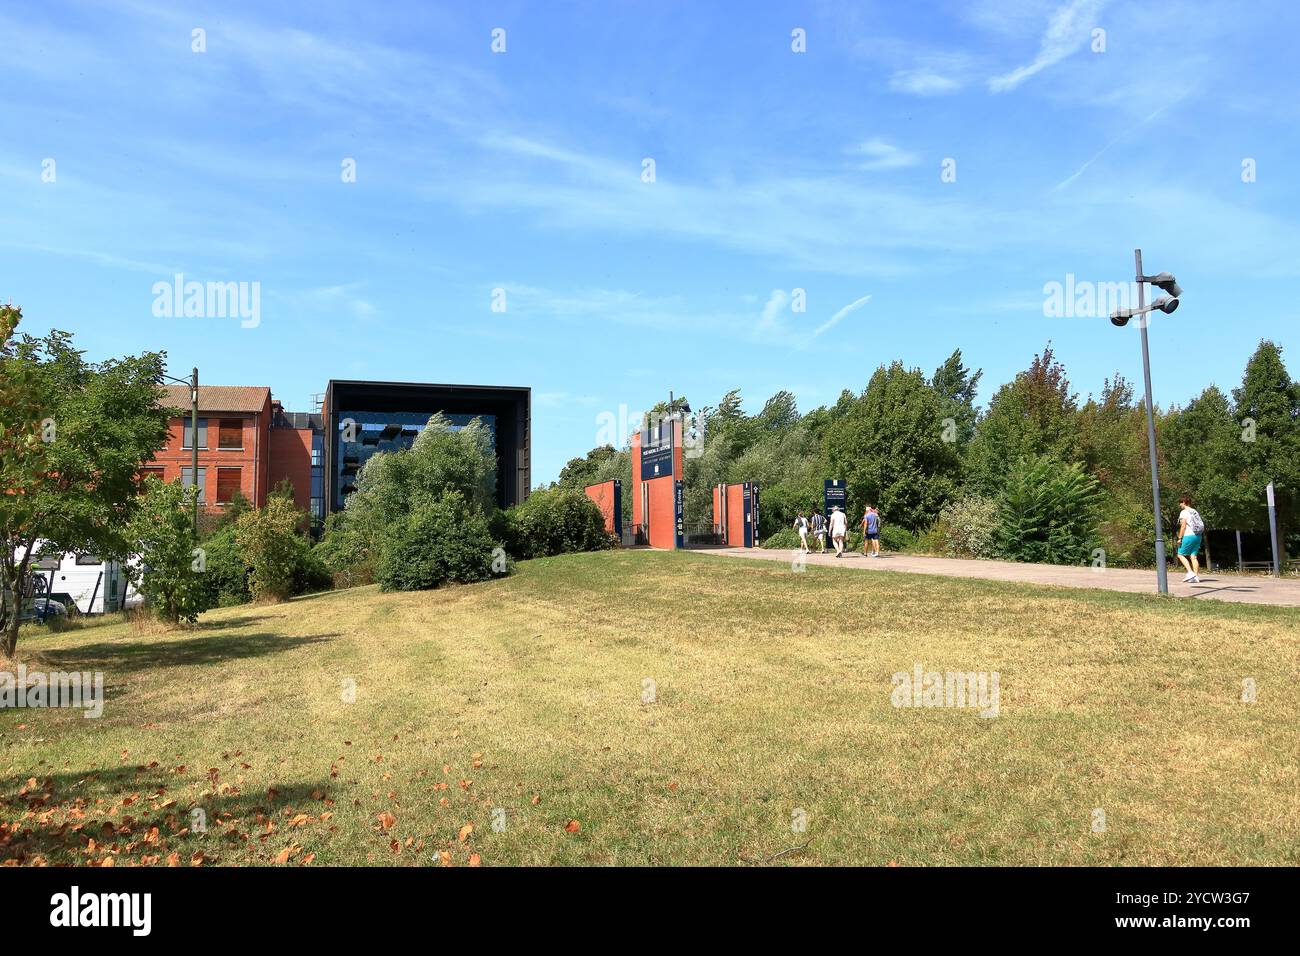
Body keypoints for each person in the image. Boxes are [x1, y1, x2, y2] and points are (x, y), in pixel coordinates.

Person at [1176, 495, 1205, 584]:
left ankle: (1190, 573)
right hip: (1198, 535)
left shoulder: (1184, 512)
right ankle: (1195, 577)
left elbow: (1183, 526)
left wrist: (1180, 538)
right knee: (1193, 556)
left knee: (1180, 554)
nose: (1180, 505)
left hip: (1189, 535)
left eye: (1180, 503)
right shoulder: (1194, 511)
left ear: (1184, 502)